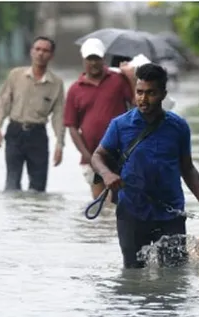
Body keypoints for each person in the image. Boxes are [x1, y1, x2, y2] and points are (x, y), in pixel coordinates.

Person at [90, 63, 199, 269]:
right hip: (132, 212)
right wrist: (107, 174)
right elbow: (97, 156)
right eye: (139, 92)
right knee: (133, 275)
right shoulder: (120, 125)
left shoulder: (178, 127)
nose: (143, 99)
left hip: (170, 213)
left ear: (163, 94)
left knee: (175, 274)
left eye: (151, 93)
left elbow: (187, 168)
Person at [0, 36, 65, 192]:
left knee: (38, 188)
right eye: (37, 49)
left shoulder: (56, 83)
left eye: (45, 51)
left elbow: (59, 115)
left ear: (51, 56)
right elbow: (3, 103)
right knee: (12, 184)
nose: (40, 54)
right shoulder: (16, 75)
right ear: (31, 52)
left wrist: (59, 144)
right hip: (15, 132)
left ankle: (35, 215)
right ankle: (15, 216)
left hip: (38, 135)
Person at [63, 38, 134, 200]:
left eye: (97, 58)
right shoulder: (75, 89)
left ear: (103, 59)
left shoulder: (118, 80)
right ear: (83, 60)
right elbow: (72, 126)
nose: (93, 63)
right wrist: (87, 156)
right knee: (100, 204)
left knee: (118, 202)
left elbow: (136, 104)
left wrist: (130, 77)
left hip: (120, 153)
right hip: (91, 156)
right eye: (90, 59)